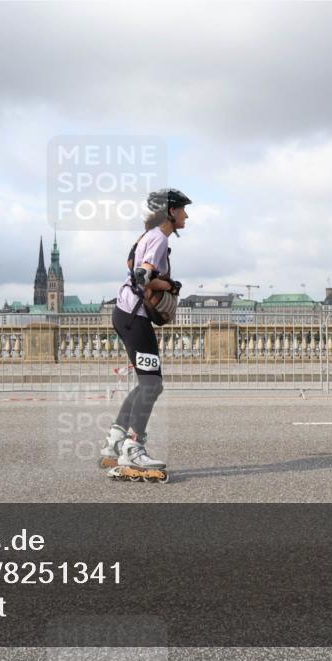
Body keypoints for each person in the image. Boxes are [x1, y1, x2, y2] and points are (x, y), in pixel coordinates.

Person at [100, 188, 190, 482]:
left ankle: (115, 440)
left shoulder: (147, 236)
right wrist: (171, 286)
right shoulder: (159, 238)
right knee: (152, 384)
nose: (186, 215)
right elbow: (143, 275)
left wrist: (164, 283)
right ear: (170, 211)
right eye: (183, 209)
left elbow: (134, 268)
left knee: (146, 383)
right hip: (135, 315)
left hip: (126, 313)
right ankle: (133, 448)